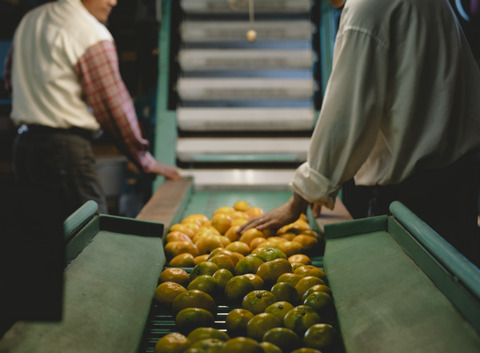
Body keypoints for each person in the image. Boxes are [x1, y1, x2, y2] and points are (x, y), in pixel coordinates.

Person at [239, 0, 480, 266]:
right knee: (458, 286)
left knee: (410, 290)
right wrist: (326, 181)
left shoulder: (366, 8)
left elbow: (347, 112)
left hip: (416, 201)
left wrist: (304, 195)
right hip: (457, 182)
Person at [3, 0, 181, 221]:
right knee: (93, 239)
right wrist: (144, 159)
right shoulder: (89, 32)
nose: (113, 1)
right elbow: (112, 108)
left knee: (42, 239)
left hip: (24, 149)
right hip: (65, 153)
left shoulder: (31, 20)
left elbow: (10, 80)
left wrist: (41, 105)